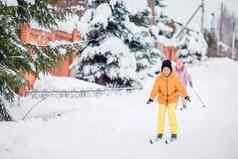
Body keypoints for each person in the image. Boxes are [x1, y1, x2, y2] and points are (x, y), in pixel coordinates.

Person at [147, 59, 190, 142]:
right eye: (164, 69)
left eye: (167, 69)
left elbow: (180, 87)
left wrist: (185, 95)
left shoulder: (175, 77)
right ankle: (160, 133)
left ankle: (174, 133)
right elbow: (155, 89)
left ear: (170, 69)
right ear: (162, 70)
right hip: (162, 99)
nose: (166, 71)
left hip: (172, 99)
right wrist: (151, 98)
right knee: (161, 115)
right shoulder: (158, 78)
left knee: (171, 114)